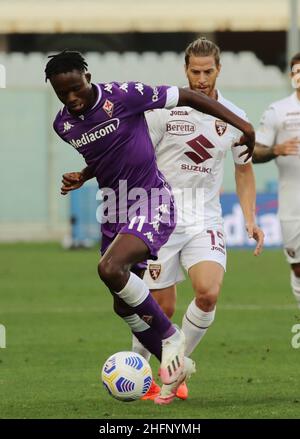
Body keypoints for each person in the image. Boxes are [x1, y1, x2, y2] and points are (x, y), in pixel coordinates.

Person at [50, 49, 255, 405]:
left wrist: (245, 126)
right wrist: (83, 175)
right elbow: (114, 152)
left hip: (161, 204)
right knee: (127, 304)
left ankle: (171, 348)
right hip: (119, 208)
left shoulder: (127, 96)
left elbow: (240, 161)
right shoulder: (64, 125)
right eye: (61, 93)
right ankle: (168, 364)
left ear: (87, 75)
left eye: (75, 88)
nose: (71, 98)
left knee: (123, 272)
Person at [253, 52, 300, 309]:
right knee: (298, 267)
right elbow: (254, 152)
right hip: (293, 204)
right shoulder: (278, 111)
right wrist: (275, 150)